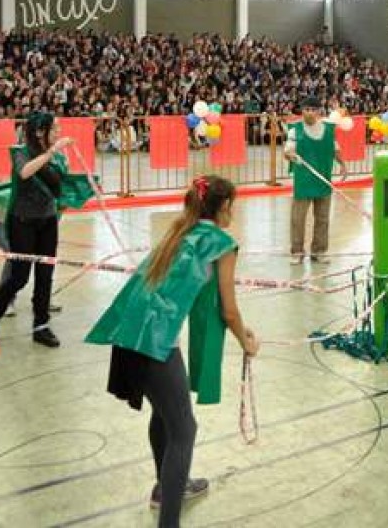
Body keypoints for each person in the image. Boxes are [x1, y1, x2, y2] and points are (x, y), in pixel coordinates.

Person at [86, 175, 259, 527]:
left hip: (128, 336)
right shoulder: (221, 243)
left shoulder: (181, 230)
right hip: (154, 342)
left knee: (164, 415)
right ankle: (169, 518)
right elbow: (228, 309)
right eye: (232, 206)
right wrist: (246, 340)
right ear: (224, 207)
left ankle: (165, 488)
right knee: (184, 430)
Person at [0, 112, 74, 347]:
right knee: (19, 276)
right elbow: (25, 172)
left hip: (48, 221)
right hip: (21, 222)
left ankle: (41, 326)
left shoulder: (58, 158)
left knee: (45, 276)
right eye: (53, 128)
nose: (58, 133)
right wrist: (51, 152)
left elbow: (62, 188)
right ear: (39, 132)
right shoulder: (20, 152)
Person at [284, 96, 345, 265]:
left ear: (319, 112)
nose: (309, 113)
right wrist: (289, 154)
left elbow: (335, 148)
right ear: (302, 111)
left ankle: (319, 251)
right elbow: (288, 150)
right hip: (304, 181)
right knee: (298, 218)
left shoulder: (328, 129)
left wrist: (343, 164)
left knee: (323, 218)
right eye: (306, 110)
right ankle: (297, 252)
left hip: (323, 179)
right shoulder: (295, 130)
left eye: (312, 110)